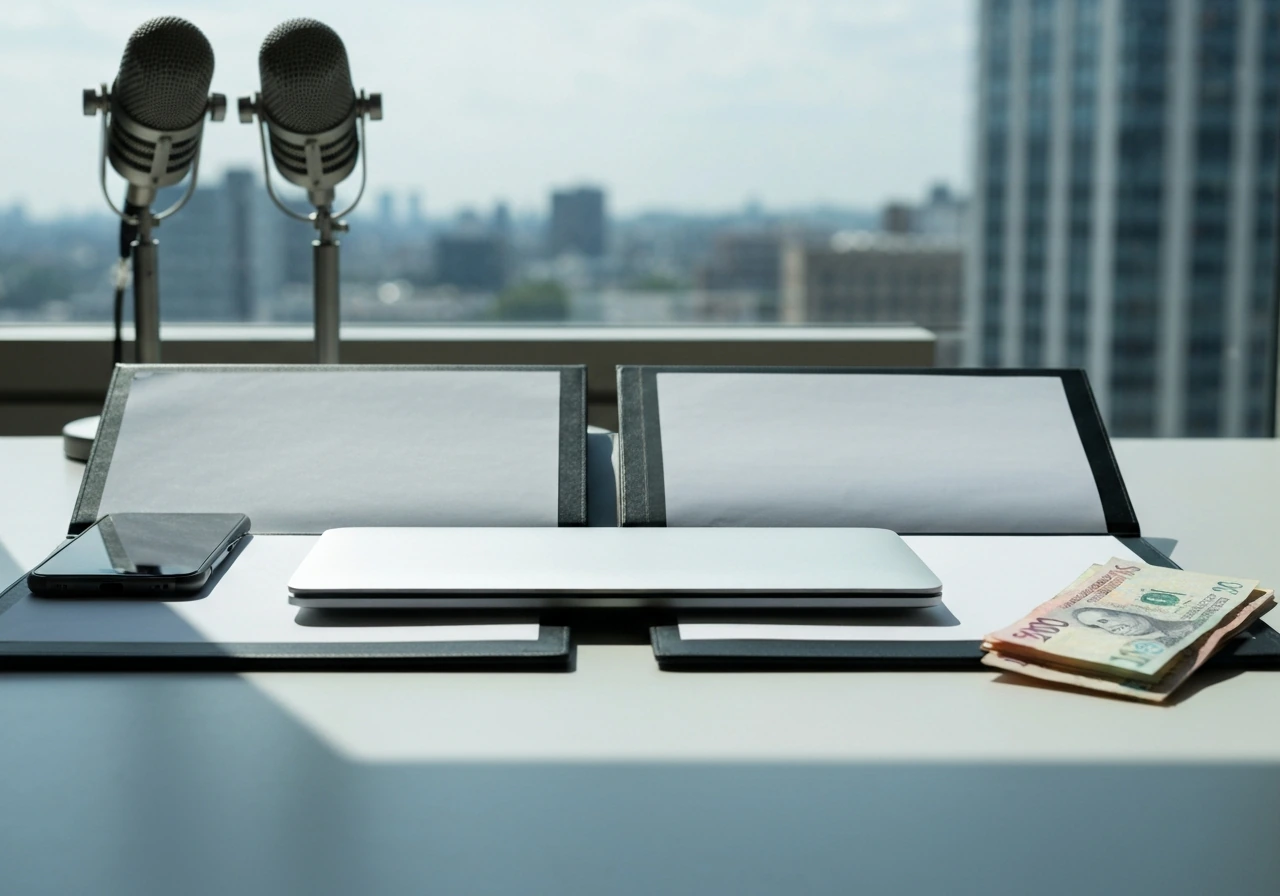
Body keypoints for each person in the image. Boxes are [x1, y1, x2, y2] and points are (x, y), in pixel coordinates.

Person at [1072, 607, 1199, 646]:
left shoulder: (1187, 624)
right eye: (1097, 625)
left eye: (1104, 620)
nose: (1108, 628)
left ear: (1124, 612)